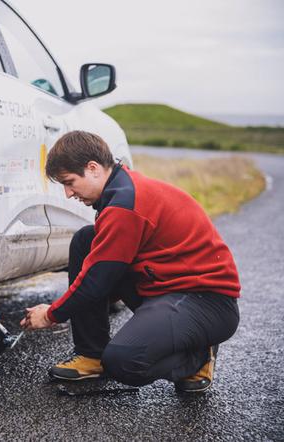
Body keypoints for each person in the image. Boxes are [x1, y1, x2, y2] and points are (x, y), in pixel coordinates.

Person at [20, 131, 240, 392]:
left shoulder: (124, 205)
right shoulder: (120, 190)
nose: (68, 193)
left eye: (70, 182)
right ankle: (92, 354)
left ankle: (197, 356)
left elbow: (95, 282)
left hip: (206, 302)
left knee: (123, 362)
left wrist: (50, 314)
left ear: (93, 168)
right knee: (86, 239)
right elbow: (100, 277)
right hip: (164, 287)